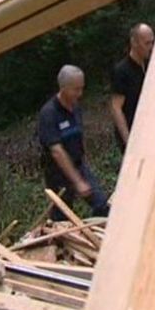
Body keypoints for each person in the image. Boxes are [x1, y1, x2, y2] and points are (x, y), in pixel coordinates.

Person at [38, 65, 110, 220]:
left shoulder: (75, 108)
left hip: (79, 164)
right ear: (63, 88)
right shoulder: (49, 114)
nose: (80, 93)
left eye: (81, 88)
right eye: (75, 89)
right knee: (62, 216)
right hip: (58, 173)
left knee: (101, 204)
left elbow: (79, 137)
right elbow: (57, 151)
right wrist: (77, 181)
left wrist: (84, 166)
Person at [110, 23, 155, 153]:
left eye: (152, 43)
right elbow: (116, 107)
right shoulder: (121, 71)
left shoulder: (150, 64)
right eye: (147, 44)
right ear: (134, 43)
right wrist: (128, 141)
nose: (151, 48)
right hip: (133, 131)